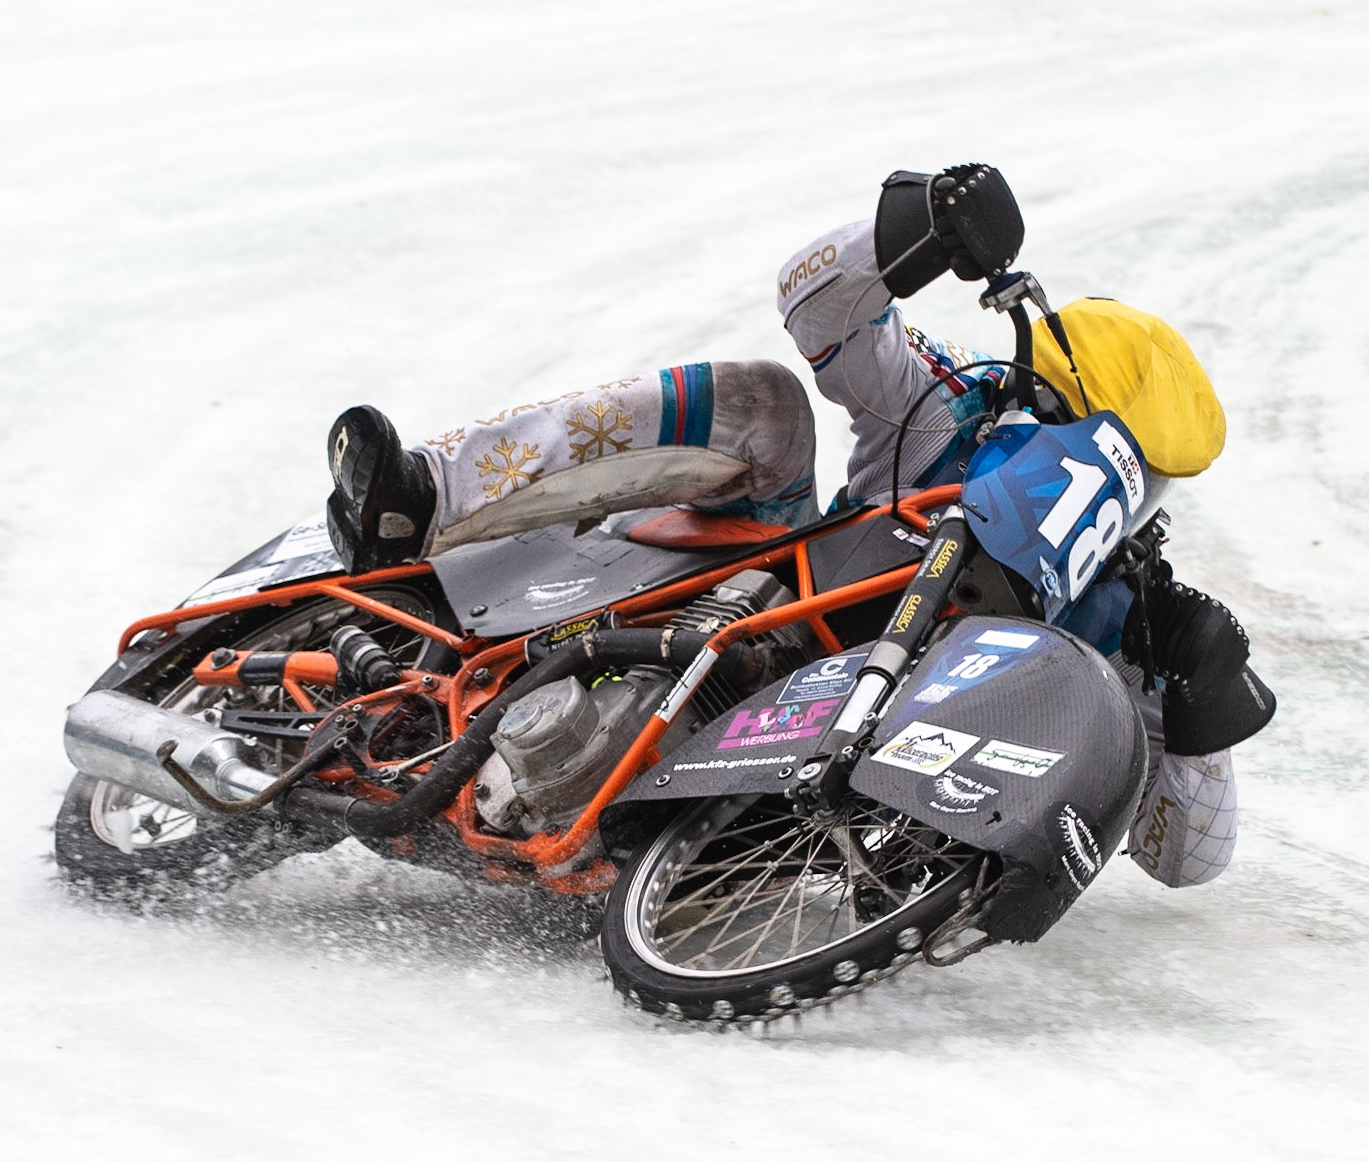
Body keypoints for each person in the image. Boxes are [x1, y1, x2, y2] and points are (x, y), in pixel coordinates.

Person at [323, 163, 1271, 890]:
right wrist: (918, 225)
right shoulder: (954, 405)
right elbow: (814, 300)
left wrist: (1203, 722)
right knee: (768, 405)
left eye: (1153, 478)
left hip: (823, 801)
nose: (1126, 488)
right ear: (1044, 395)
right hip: (765, 581)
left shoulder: (1125, 613)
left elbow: (1184, 863)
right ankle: (426, 496)